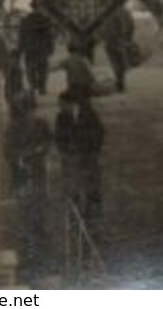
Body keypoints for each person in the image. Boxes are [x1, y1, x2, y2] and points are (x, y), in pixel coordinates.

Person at [4, 93, 52, 280]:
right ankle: (27, 261)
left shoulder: (41, 125)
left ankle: (40, 261)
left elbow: (48, 143)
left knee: (38, 220)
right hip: (22, 180)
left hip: (37, 178)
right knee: (24, 221)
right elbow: (8, 152)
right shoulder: (13, 128)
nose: (29, 114)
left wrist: (33, 153)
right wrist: (20, 158)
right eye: (26, 111)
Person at [55, 92, 104, 227]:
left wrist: (94, 149)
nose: (60, 107)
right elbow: (58, 136)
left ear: (70, 103)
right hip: (72, 156)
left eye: (62, 105)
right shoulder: (61, 117)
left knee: (91, 182)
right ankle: (75, 212)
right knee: (74, 184)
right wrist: (65, 151)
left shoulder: (89, 114)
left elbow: (99, 132)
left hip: (88, 155)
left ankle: (93, 210)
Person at [19, 4, 56, 96]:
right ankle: (41, 87)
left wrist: (21, 48)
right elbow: (49, 35)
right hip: (41, 48)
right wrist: (50, 47)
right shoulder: (45, 20)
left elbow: (22, 36)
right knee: (42, 68)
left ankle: (33, 86)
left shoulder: (25, 20)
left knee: (31, 68)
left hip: (30, 48)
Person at [101, 5, 136, 94]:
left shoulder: (106, 11)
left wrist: (102, 37)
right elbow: (130, 25)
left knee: (115, 62)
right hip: (119, 39)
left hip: (112, 40)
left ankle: (119, 82)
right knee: (120, 61)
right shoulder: (124, 11)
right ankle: (120, 81)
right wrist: (128, 37)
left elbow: (102, 27)